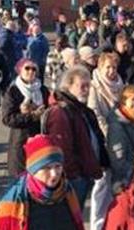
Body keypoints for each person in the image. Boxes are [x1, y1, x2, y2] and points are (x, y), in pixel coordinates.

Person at [43, 65, 109, 209]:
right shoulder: (60, 112)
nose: (86, 90)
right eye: (82, 86)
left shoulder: (80, 108)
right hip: (73, 178)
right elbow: (62, 150)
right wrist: (76, 174)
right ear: (69, 86)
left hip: (83, 174)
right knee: (70, 215)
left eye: (88, 86)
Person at [1, 58, 50, 176]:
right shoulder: (13, 91)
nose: (31, 71)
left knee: (39, 175)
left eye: (34, 69)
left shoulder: (42, 89)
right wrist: (31, 116)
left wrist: (44, 112)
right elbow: (8, 118)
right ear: (20, 70)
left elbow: (49, 110)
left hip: (40, 138)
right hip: (21, 140)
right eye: (27, 68)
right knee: (22, 177)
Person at [106, 85, 134, 192]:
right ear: (124, 102)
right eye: (133, 99)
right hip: (126, 182)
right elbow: (118, 162)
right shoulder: (117, 127)